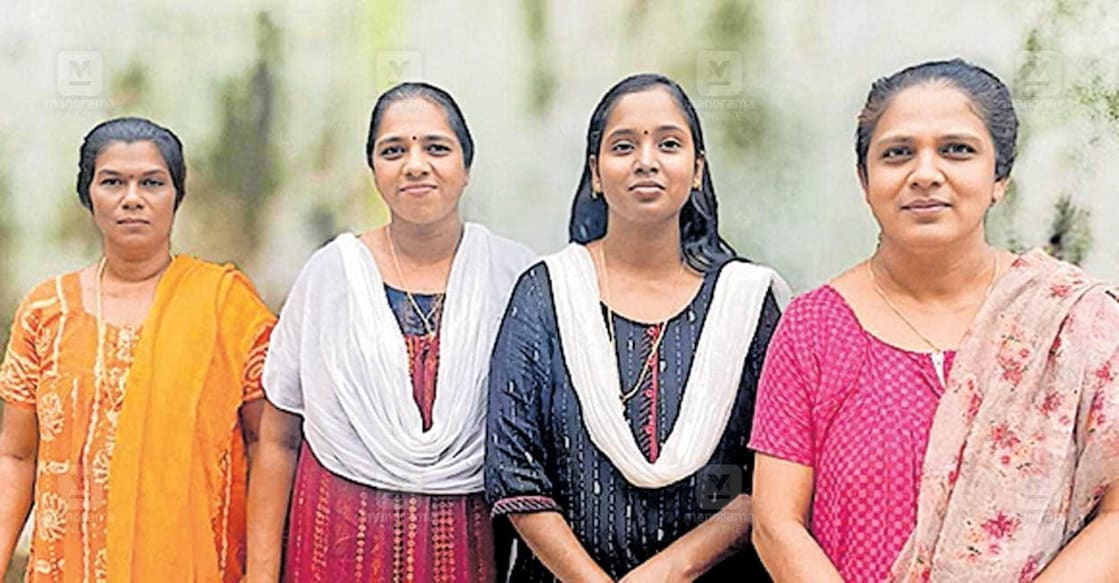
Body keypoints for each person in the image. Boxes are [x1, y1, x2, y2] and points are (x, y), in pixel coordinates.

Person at [750, 58, 1119, 582]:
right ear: (865, 180)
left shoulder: (1073, 319)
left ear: (999, 178)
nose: (925, 174)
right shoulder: (814, 327)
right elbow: (776, 523)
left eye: (957, 150)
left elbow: (1115, 515)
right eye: (898, 153)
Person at [485, 73, 788, 582]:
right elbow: (515, 470)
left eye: (668, 144)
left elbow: (773, 476)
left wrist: (673, 571)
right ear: (596, 173)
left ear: (697, 169)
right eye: (623, 146)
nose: (646, 160)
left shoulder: (747, 303)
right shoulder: (546, 293)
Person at [246, 82, 534, 582]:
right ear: (374, 171)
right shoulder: (330, 277)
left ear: (466, 167)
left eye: (436, 148)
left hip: (463, 548)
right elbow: (278, 438)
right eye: (394, 151)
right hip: (335, 544)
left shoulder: (514, 277)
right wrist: (260, 576)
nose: (415, 165)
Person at [0, 117, 276, 582]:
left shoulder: (227, 309)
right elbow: (15, 457)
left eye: (152, 182)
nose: (132, 198)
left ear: (176, 196)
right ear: (88, 196)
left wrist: (263, 573)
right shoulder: (46, 311)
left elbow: (267, 444)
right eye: (113, 182)